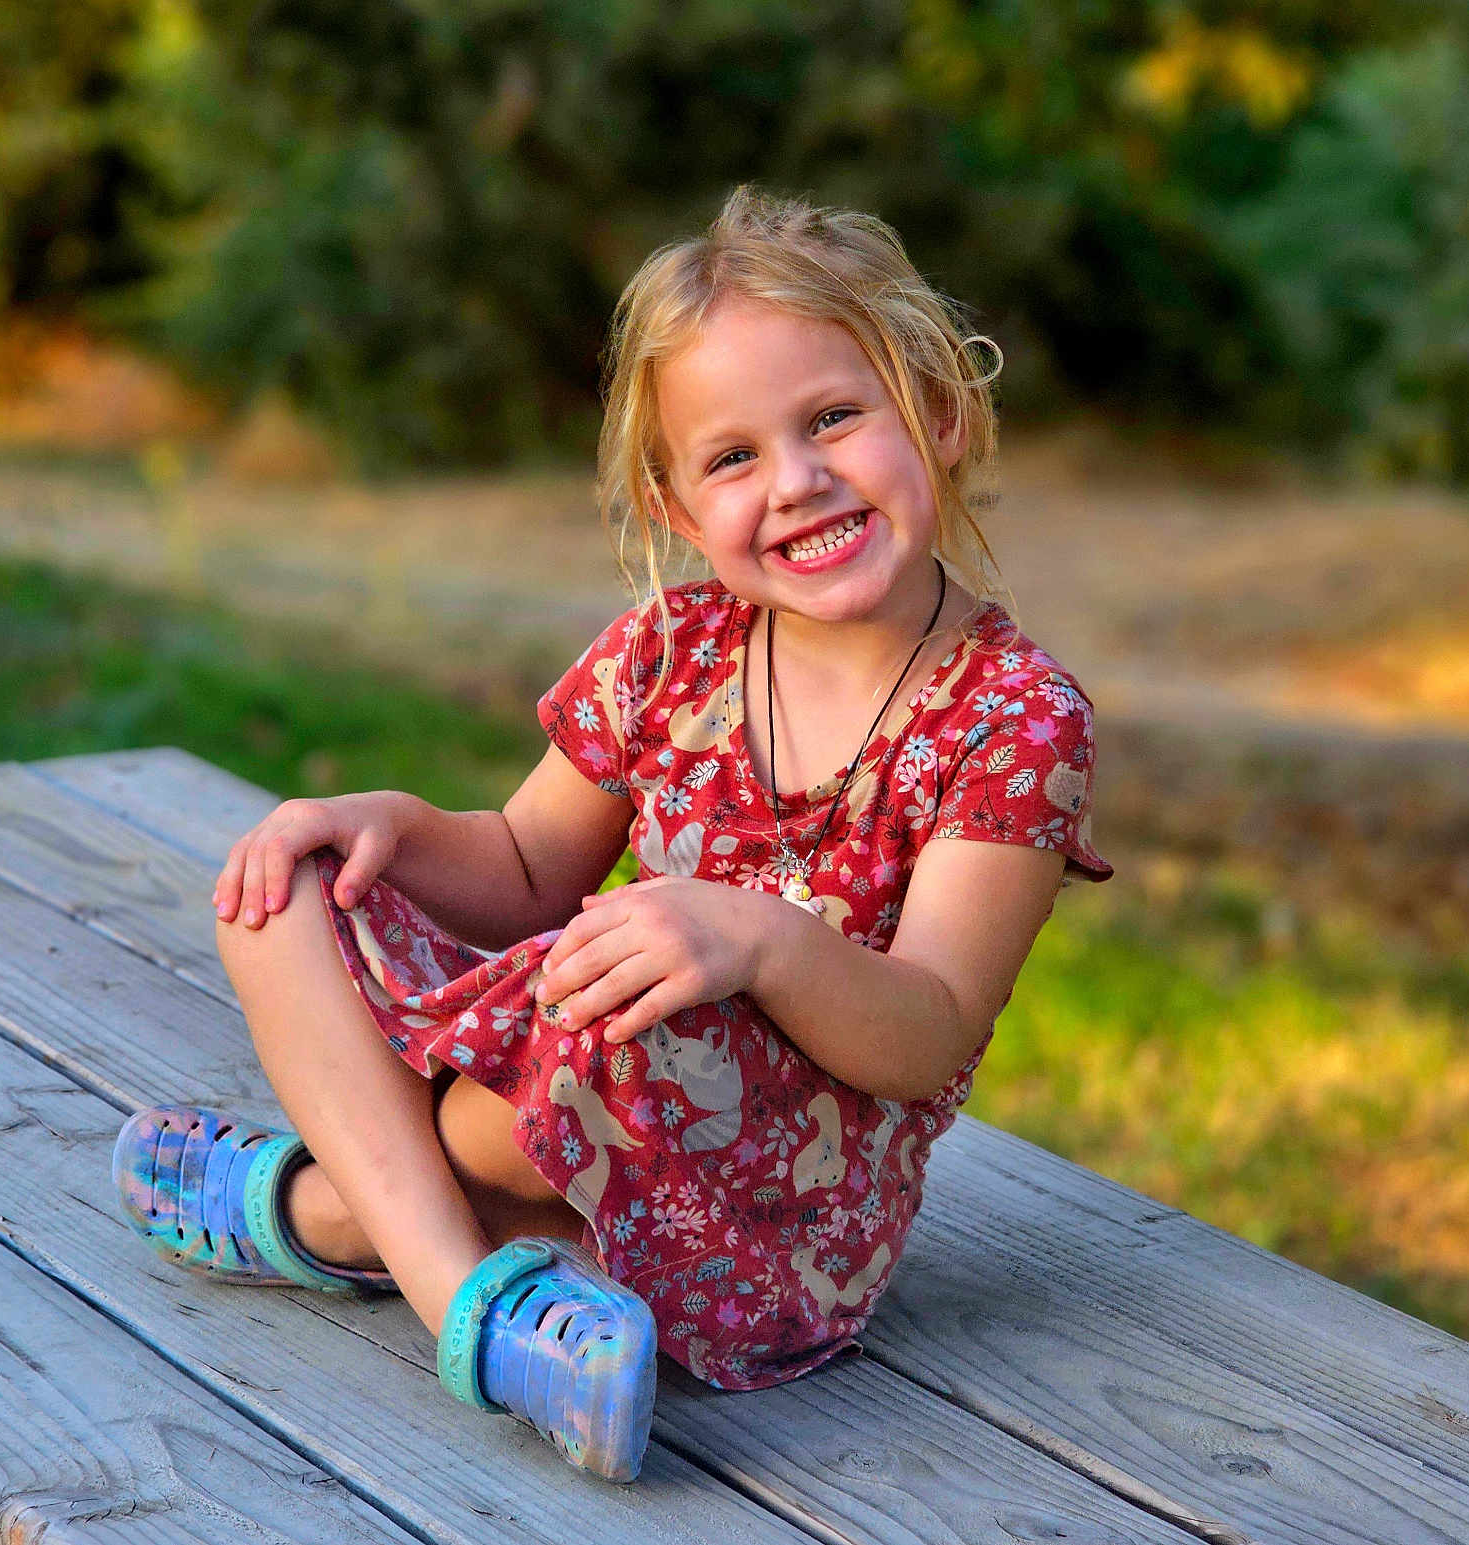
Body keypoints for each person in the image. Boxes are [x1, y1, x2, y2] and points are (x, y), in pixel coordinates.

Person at [111, 184, 1112, 1484]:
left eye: (833, 418)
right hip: (572, 1104)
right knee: (286, 885)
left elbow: (928, 1035)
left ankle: (322, 1211)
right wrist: (388, 828)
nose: (797, 480)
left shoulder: (1014, 717)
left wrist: (757, 940)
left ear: (939, 413)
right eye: (732, 457)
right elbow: (527, 871)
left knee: (622, 1010)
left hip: (774, 1223)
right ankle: (476, 1310)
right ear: (677, 506)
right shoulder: (669, 649)